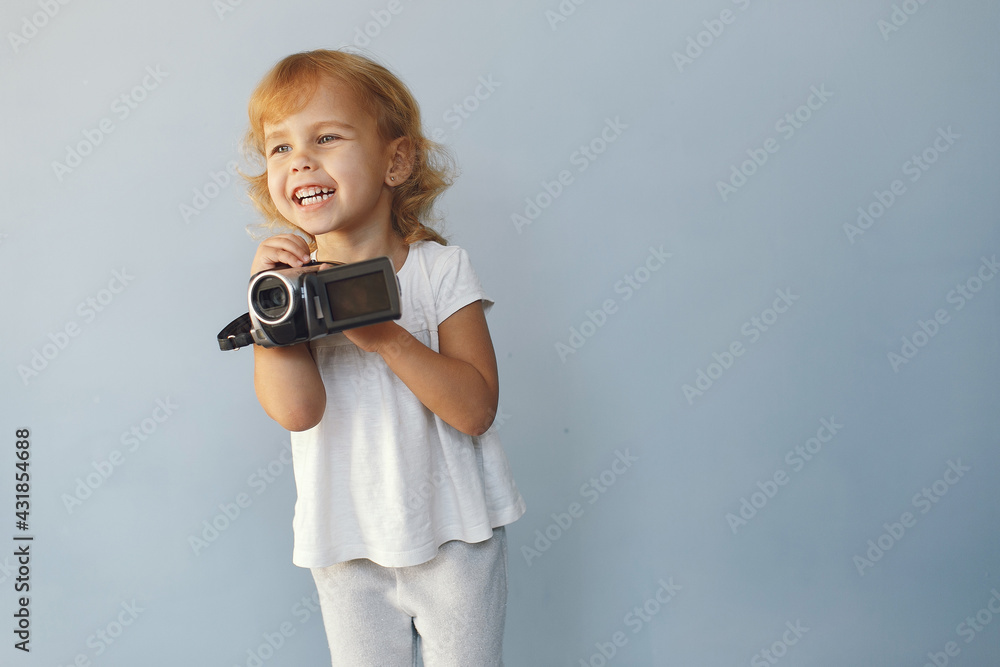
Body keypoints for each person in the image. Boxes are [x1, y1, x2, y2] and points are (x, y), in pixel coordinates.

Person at [242, 49, 526, 666]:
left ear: (396, 160)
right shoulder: (288, 289)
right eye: (280, 148)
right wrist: (273, 317)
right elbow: (296, 412)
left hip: (455, 536)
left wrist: (387, 337)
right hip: (347, 543)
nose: (301, 160)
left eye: (326, 137)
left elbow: (475, 410)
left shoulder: (439, 270)